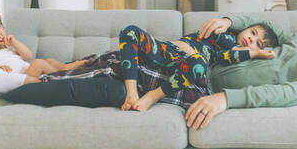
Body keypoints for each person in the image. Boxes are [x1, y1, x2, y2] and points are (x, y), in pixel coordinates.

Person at [118, 23, 278, 111]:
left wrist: (254, 54)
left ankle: (154, 96)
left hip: (185, 65)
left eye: (257, 44)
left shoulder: (232, 52)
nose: (251, 39)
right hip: (164, 50)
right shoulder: (222, 32)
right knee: (130, 31)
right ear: (245, 28)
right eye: (253, 32)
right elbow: (213, 32)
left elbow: (224, 56)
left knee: (199, 65)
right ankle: (131, 94)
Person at [0, 4, 88, 93]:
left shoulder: (8, 46)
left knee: (49, 61)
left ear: (3, 28)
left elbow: (28, 56)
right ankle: (62, 77)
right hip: (19, 82)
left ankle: (65, 68)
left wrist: (15, 43)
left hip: (29, 72)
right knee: (39, 63)